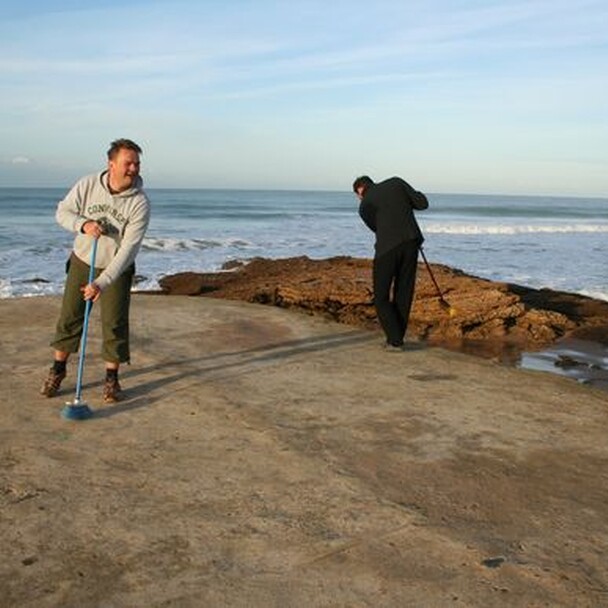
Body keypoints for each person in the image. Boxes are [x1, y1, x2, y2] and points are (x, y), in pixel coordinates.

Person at [40, 138, 151, 403]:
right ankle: (58, 370)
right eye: (128, 163)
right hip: (83, 260)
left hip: (117, 268)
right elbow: (62, 212)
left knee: (114, 324)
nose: (133, 169)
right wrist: (83, 224)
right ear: (111, 164)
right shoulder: (88, 184)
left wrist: (102, 282)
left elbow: (128, 249)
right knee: (70, 317)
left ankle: (111, 380)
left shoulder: (140, 203)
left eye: (137, 163)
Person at [353, 175, 428, 351]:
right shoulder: (396, 182)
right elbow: (422, 203)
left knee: (381, 296)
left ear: (360, 191)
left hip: (387, 249)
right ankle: (396, 339)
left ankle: (395, 340)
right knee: (404, 291)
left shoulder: (364, 205)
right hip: (411, 242)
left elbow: (376, 228)